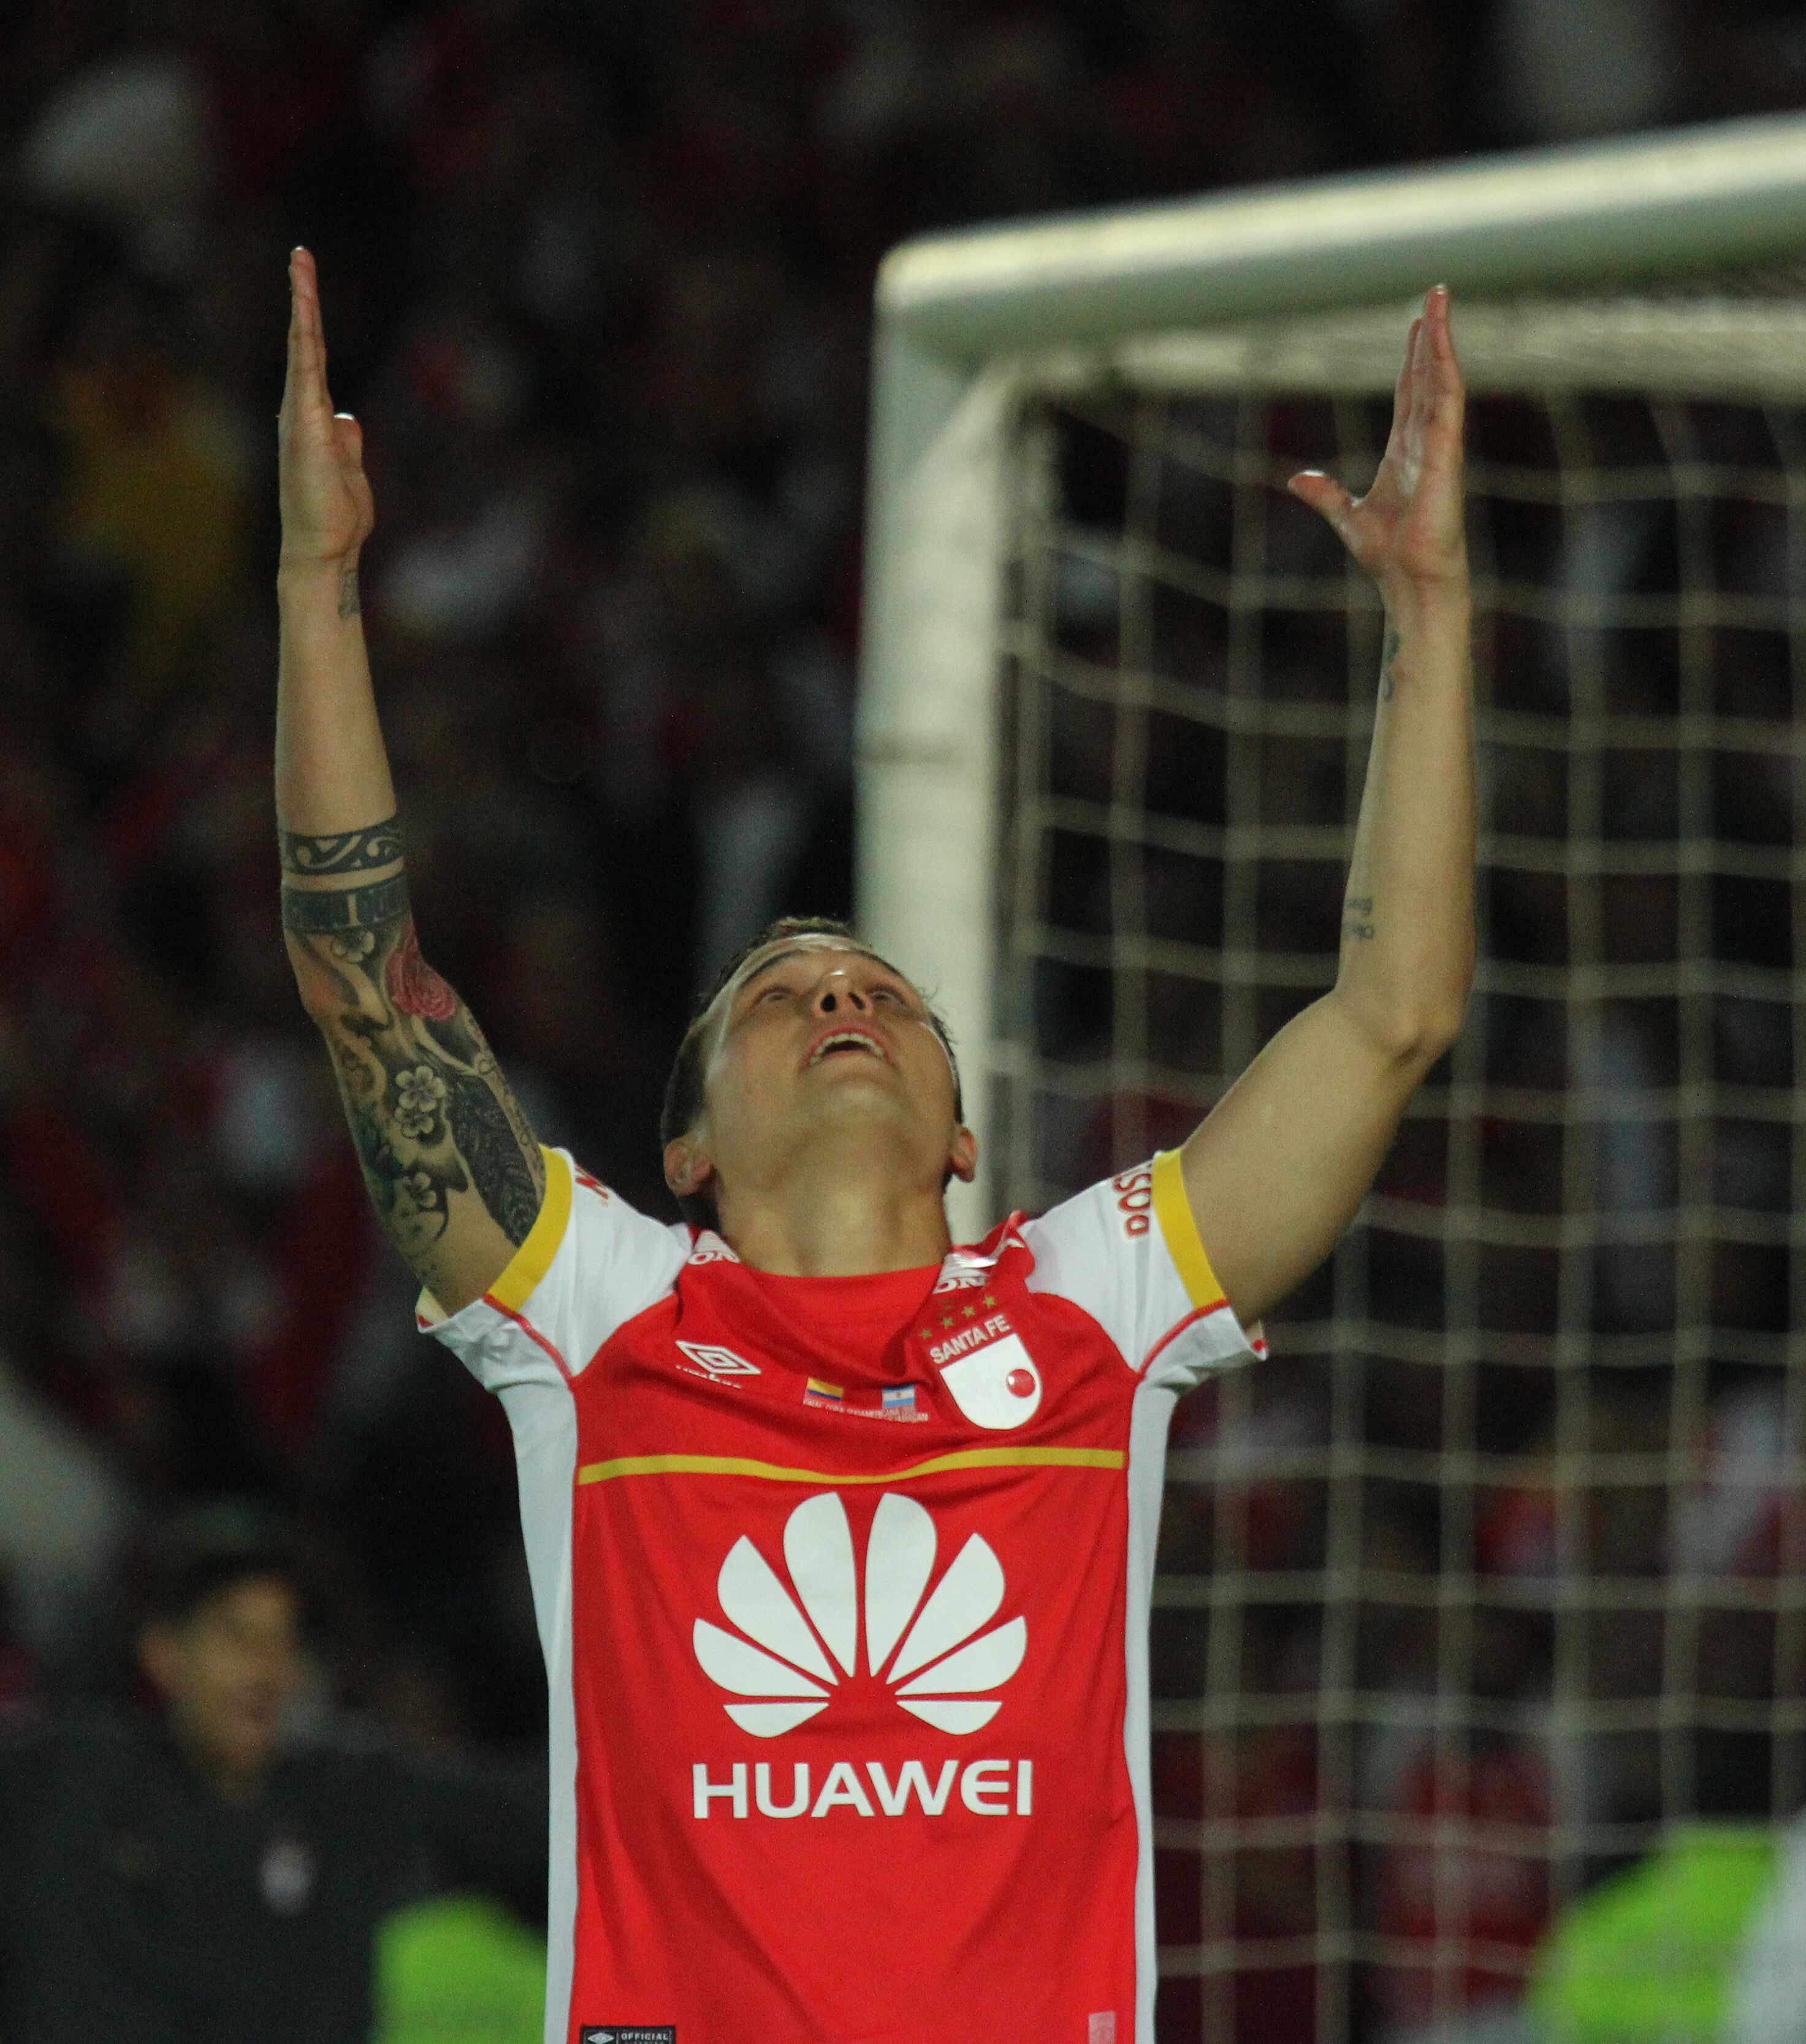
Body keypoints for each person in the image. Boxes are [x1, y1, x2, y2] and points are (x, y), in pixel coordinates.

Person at [275, 245, 1473, 2043]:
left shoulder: (1097, 1297)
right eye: (777, 992)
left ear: (965, 1127)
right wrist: (314, 580)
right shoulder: (596, 1315)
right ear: (683, 1145)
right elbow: (372, 993)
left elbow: (1389, 1019)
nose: (838, 995)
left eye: (880, 992)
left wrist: (1433, 623)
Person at [0, 1504, 546, 2043]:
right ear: (163, 1652)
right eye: (237, 1637)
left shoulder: (349, 1795)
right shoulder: (62, 1780)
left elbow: (543, 1811)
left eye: (283, 1639)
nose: (266, 1669)